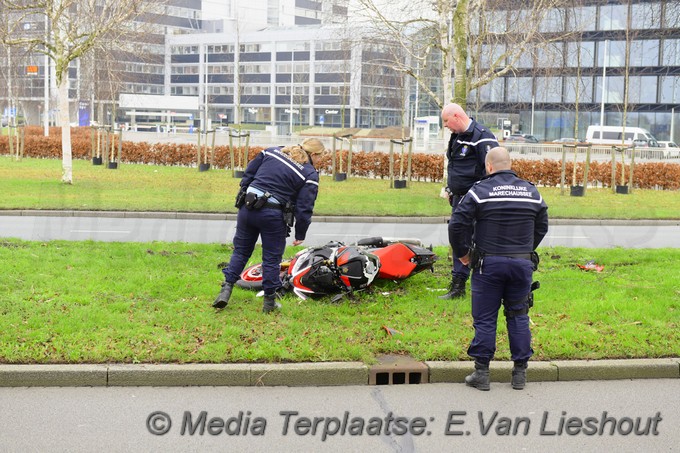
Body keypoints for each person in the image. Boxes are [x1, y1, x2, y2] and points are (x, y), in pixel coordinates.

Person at [451, 147, 548, 391]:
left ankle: (482, 374)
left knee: (485, 318)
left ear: (489, 167)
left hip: (489, 265)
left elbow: (457, 224)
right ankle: (519, 375)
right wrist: (525, 249)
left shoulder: (480, 191)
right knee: (518, 315)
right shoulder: (531, 192)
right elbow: (542, 225)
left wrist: (463, 254)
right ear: (509, 164)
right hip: (522, 265)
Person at [213, 138, 326, 313]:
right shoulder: (309, 174)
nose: (320, 161)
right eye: (321, 157)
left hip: (247, 208)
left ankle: (225, 291)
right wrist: (300, 234)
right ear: (314, 154)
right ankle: (269, 303)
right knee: (272, 259)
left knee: (241, 251)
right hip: (273, 215)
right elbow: (304, 208)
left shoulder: (272, 151)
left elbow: (249, 174)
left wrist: (245, 192)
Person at [440, 103, 499, 300]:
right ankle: (458, 286)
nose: (446, 126)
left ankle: (483, 284)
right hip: (459, 199)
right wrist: (450, 189)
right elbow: (456, 167)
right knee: (459, 238)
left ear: (457, 116)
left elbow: (493, 170)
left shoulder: (483, 136)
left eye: (447, 121)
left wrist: (480, 196)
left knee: (479, 240)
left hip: (476, 200)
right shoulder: (457, 136)